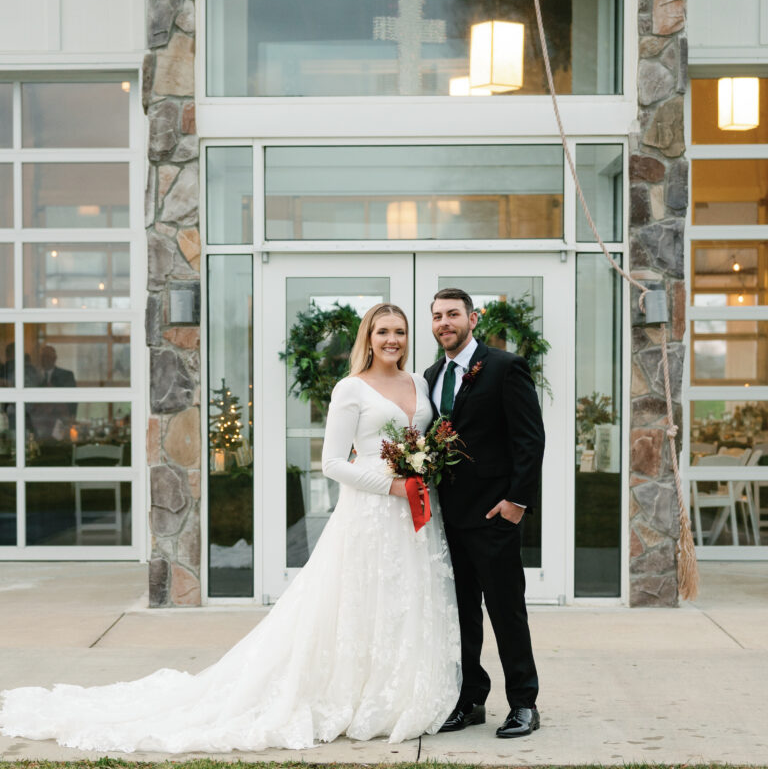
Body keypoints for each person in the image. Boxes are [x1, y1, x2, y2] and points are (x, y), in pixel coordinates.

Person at [0, 303, 459, 753]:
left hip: (417, 515)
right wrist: (391, 486)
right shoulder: (350, 389)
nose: (392, 340)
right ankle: (357, 695)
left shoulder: (419, 381)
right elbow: (332, 463)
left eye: (399, 331)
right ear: (368, 337)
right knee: (360, 602)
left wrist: (422, 474)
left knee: (405, 598)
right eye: (382, 332)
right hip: (371, 514)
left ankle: (398, 691)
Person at [425, 287, 545, 739]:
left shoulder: (504, 367)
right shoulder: (433, 374)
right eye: (437, 316)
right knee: (460, 615)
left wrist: (517, 501)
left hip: (495, 516)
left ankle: (524, 704)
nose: (444, 323)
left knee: (505, 611)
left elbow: (530, 439)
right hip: (447, 519)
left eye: (452, 314)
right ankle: (471, 699)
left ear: (473, 319)